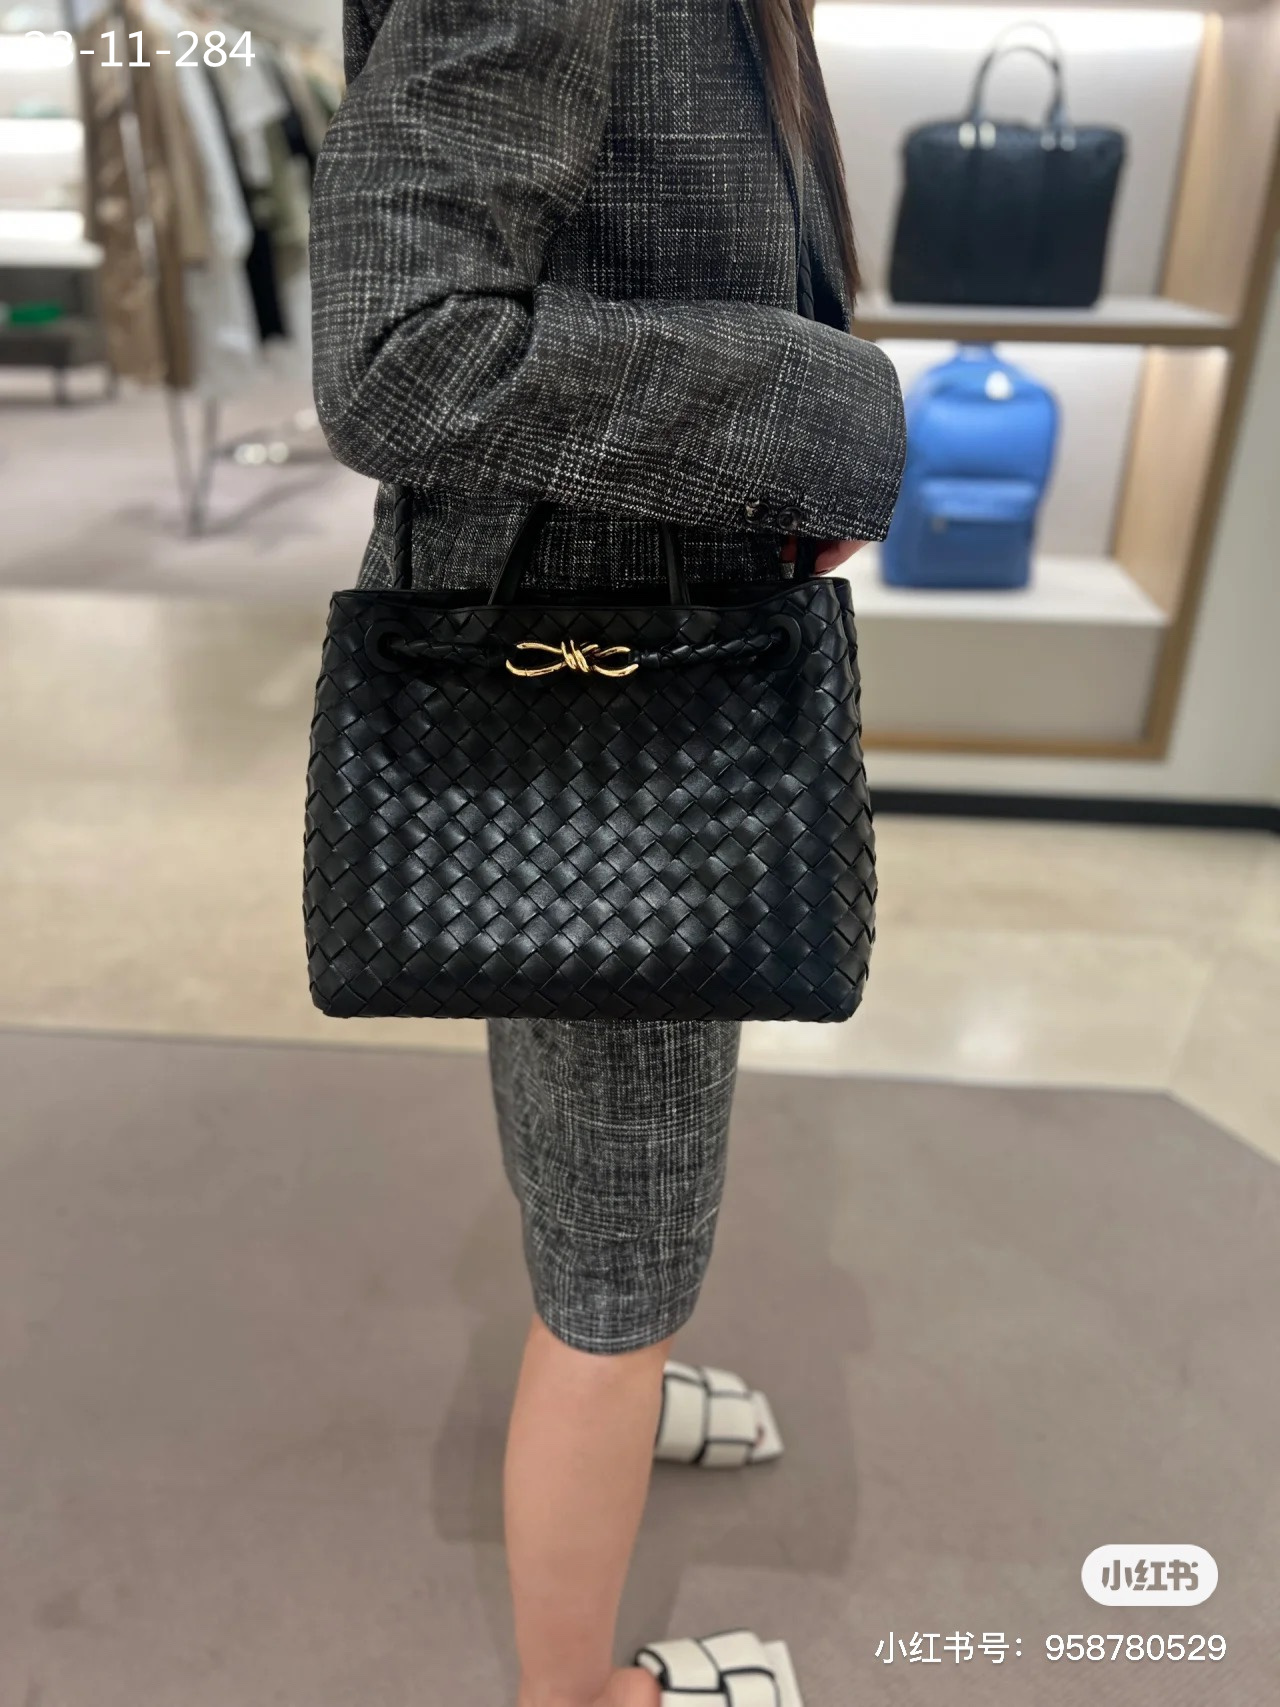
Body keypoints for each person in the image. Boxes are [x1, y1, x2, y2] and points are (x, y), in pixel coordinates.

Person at [309, 3, 905, 1703]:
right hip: (603, 674)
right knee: (623, 1241)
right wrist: (819, 404)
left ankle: (613, 1373)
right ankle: (579, 1687)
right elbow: (399, 349)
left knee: (593, 1141)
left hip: (612, 635)